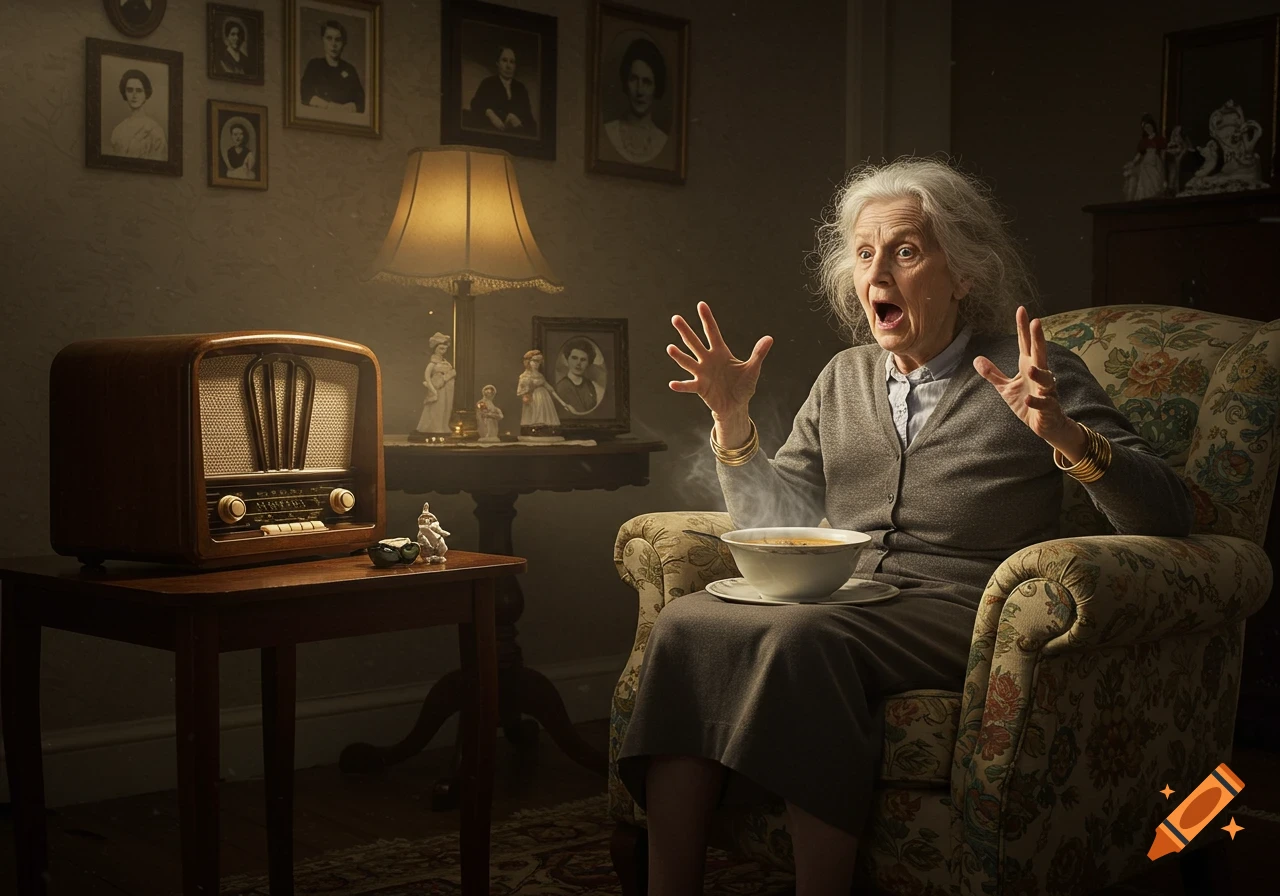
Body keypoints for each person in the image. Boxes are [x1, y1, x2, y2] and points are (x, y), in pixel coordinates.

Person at [617, 157, 1194, 895]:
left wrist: (1066, 435)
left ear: (965, 274)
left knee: (803, 637)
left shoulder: (1029, 372)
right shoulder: (844, 375)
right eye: (864, 254)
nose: (877, 272)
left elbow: (1168, 514)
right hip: (849, 599)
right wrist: (733, 423)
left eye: (906, 251)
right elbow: (779, 521)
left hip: (964, 608)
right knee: (687, 623)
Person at [603, 37, 668, 164]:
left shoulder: (661, 140)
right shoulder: (609, 131)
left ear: (656, 87)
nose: (639, 91)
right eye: (634, 79)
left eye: (647, 82)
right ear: (625, 82)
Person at [467, 46, 536, 136]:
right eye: (504, 60)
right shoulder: (488, 83)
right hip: (491, 136)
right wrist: (490, 113)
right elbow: (475, 104)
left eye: (512, 62)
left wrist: (519, 122)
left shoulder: (520, 88)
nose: (508, 66)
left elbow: (529, 120)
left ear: (515, 66)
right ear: (497, 63)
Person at [300, 19, 364, 114]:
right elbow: (304, 94)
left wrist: (348, 108)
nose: (333, 44)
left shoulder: (349, 70)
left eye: (338, 40)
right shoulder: (314, 65)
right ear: (323, 40)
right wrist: (328, 106)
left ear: (343, 43)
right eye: (329, 38)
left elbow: (361, 101)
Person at [110, 69, 167, 160]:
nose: (134, 95)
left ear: (146, 94)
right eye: (130, 90)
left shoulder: (155, 130)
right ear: (124, 93)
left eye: (139, 90)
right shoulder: (118, 130)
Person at [414, 333, 456, 435]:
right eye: (441, 348)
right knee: (438, 408)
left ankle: (443, 425)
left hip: (448, 389)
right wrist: (432, 389)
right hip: (438, 388)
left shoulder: (446, 362)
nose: (443, 351)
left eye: (445, 349)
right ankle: (436, 427)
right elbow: (427, 376)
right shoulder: (433, 363)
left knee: (447, 407)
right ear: (436, 349)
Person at [1122, 114, 1167, 201]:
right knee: (1145, 183)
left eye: (1149, 126)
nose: (1148, 129)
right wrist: (1133, 163)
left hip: (1156, 162)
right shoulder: (1143, 141)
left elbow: (1163, 154)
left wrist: (1163, 165)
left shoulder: (1159, 139)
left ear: (1152, 126)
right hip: (1146, 163)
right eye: (1145, 128)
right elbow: (1139, 155)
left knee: (1156, 181)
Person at [516, 350, 561, 429]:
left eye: (539, 361)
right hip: (533, 399)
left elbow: (550, 389)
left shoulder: (540, 375)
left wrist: (563, 403)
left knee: (545, 418)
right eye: (535, 361)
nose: (537, 364)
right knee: (534, 419)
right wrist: (526, 394)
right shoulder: (524, 376)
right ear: (528, 361)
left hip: (544, 398)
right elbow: (520, 391)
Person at [554, 337, 600, 413]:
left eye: (583, 360)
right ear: (567, 360)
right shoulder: (562, 387)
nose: (578, 363)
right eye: (574, 358)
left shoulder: (589, 385)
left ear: (588, 363)